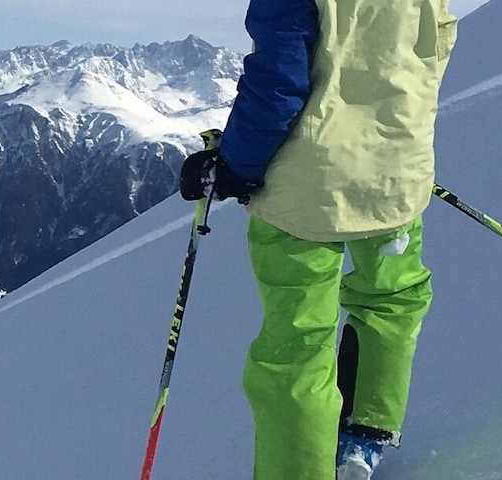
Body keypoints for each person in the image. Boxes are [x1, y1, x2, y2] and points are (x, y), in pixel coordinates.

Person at [180, 0, 457, 478]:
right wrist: (390, 136)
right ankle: (365, 433)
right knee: (393, 297)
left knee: (299, 340)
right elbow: (432, 48)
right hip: (395, 176)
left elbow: (278, 82)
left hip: (301, 193)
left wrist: (233, 167)